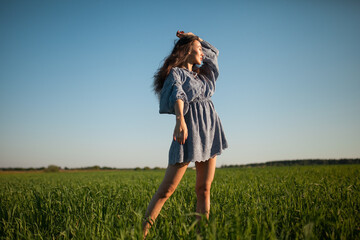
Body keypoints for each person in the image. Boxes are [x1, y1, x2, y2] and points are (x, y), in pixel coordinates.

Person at [142, 31, 228, 238]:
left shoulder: (204, 75)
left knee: (204, 189)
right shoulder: (177, 73)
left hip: (209, 129)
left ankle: (201, 234)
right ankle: (140, 234)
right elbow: (178, 94)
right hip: (188, 131)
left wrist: (196, 36)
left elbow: (214, 54)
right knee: (166, 191)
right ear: (187, 51)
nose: (202, 53)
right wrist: (180, 120)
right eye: (198, 49)